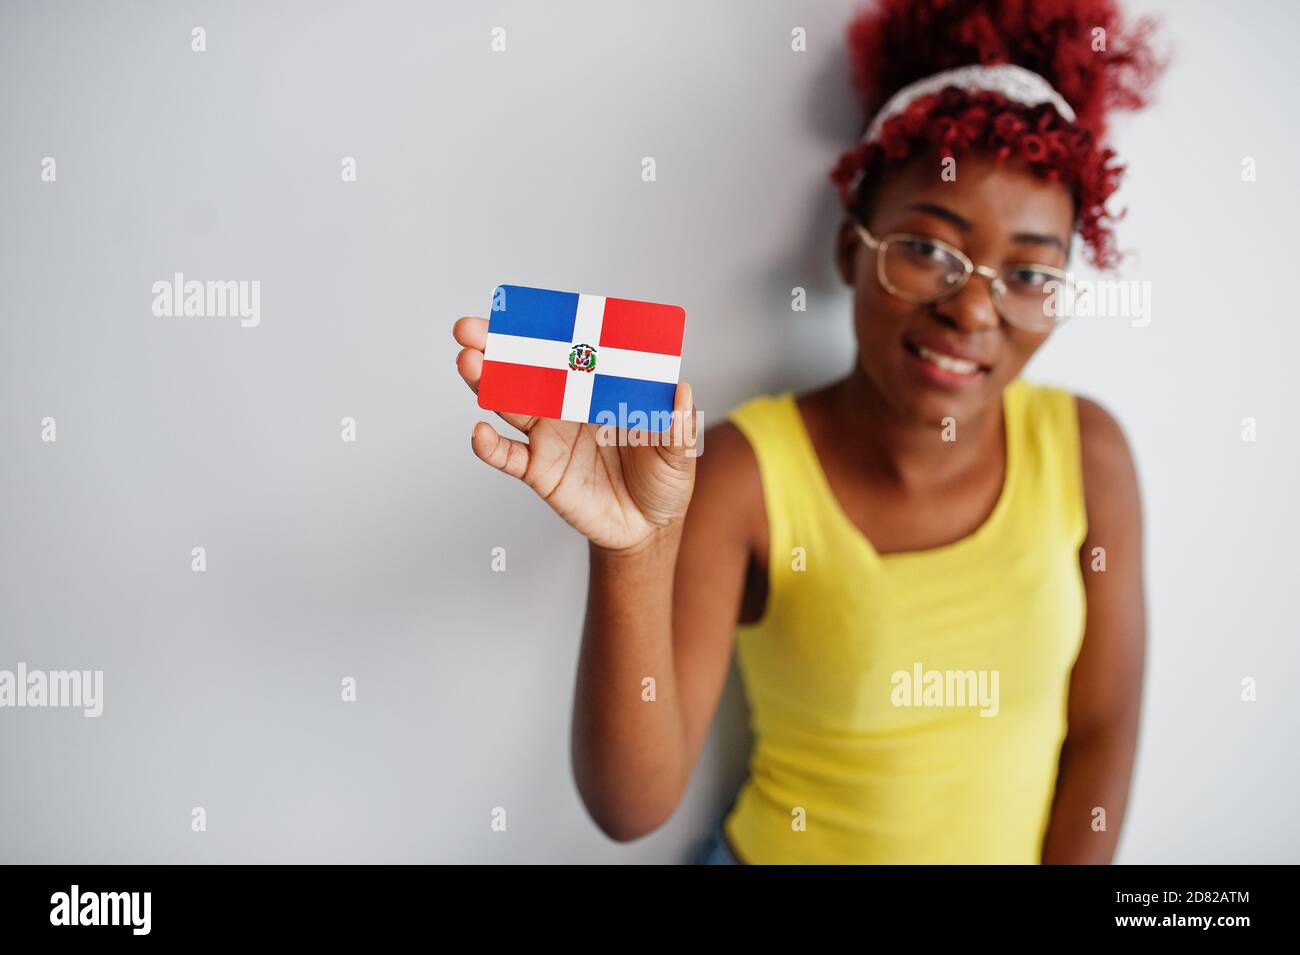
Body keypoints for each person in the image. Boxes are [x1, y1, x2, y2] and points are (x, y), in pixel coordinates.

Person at [452, 0, 1163, 864]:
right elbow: (631, 807)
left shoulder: (1088, 453)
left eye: (1028, 273)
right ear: (849, 251)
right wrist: (633, 549)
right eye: (929, 248)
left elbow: (1102, 734)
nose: (973, 306)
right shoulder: (746, 473)